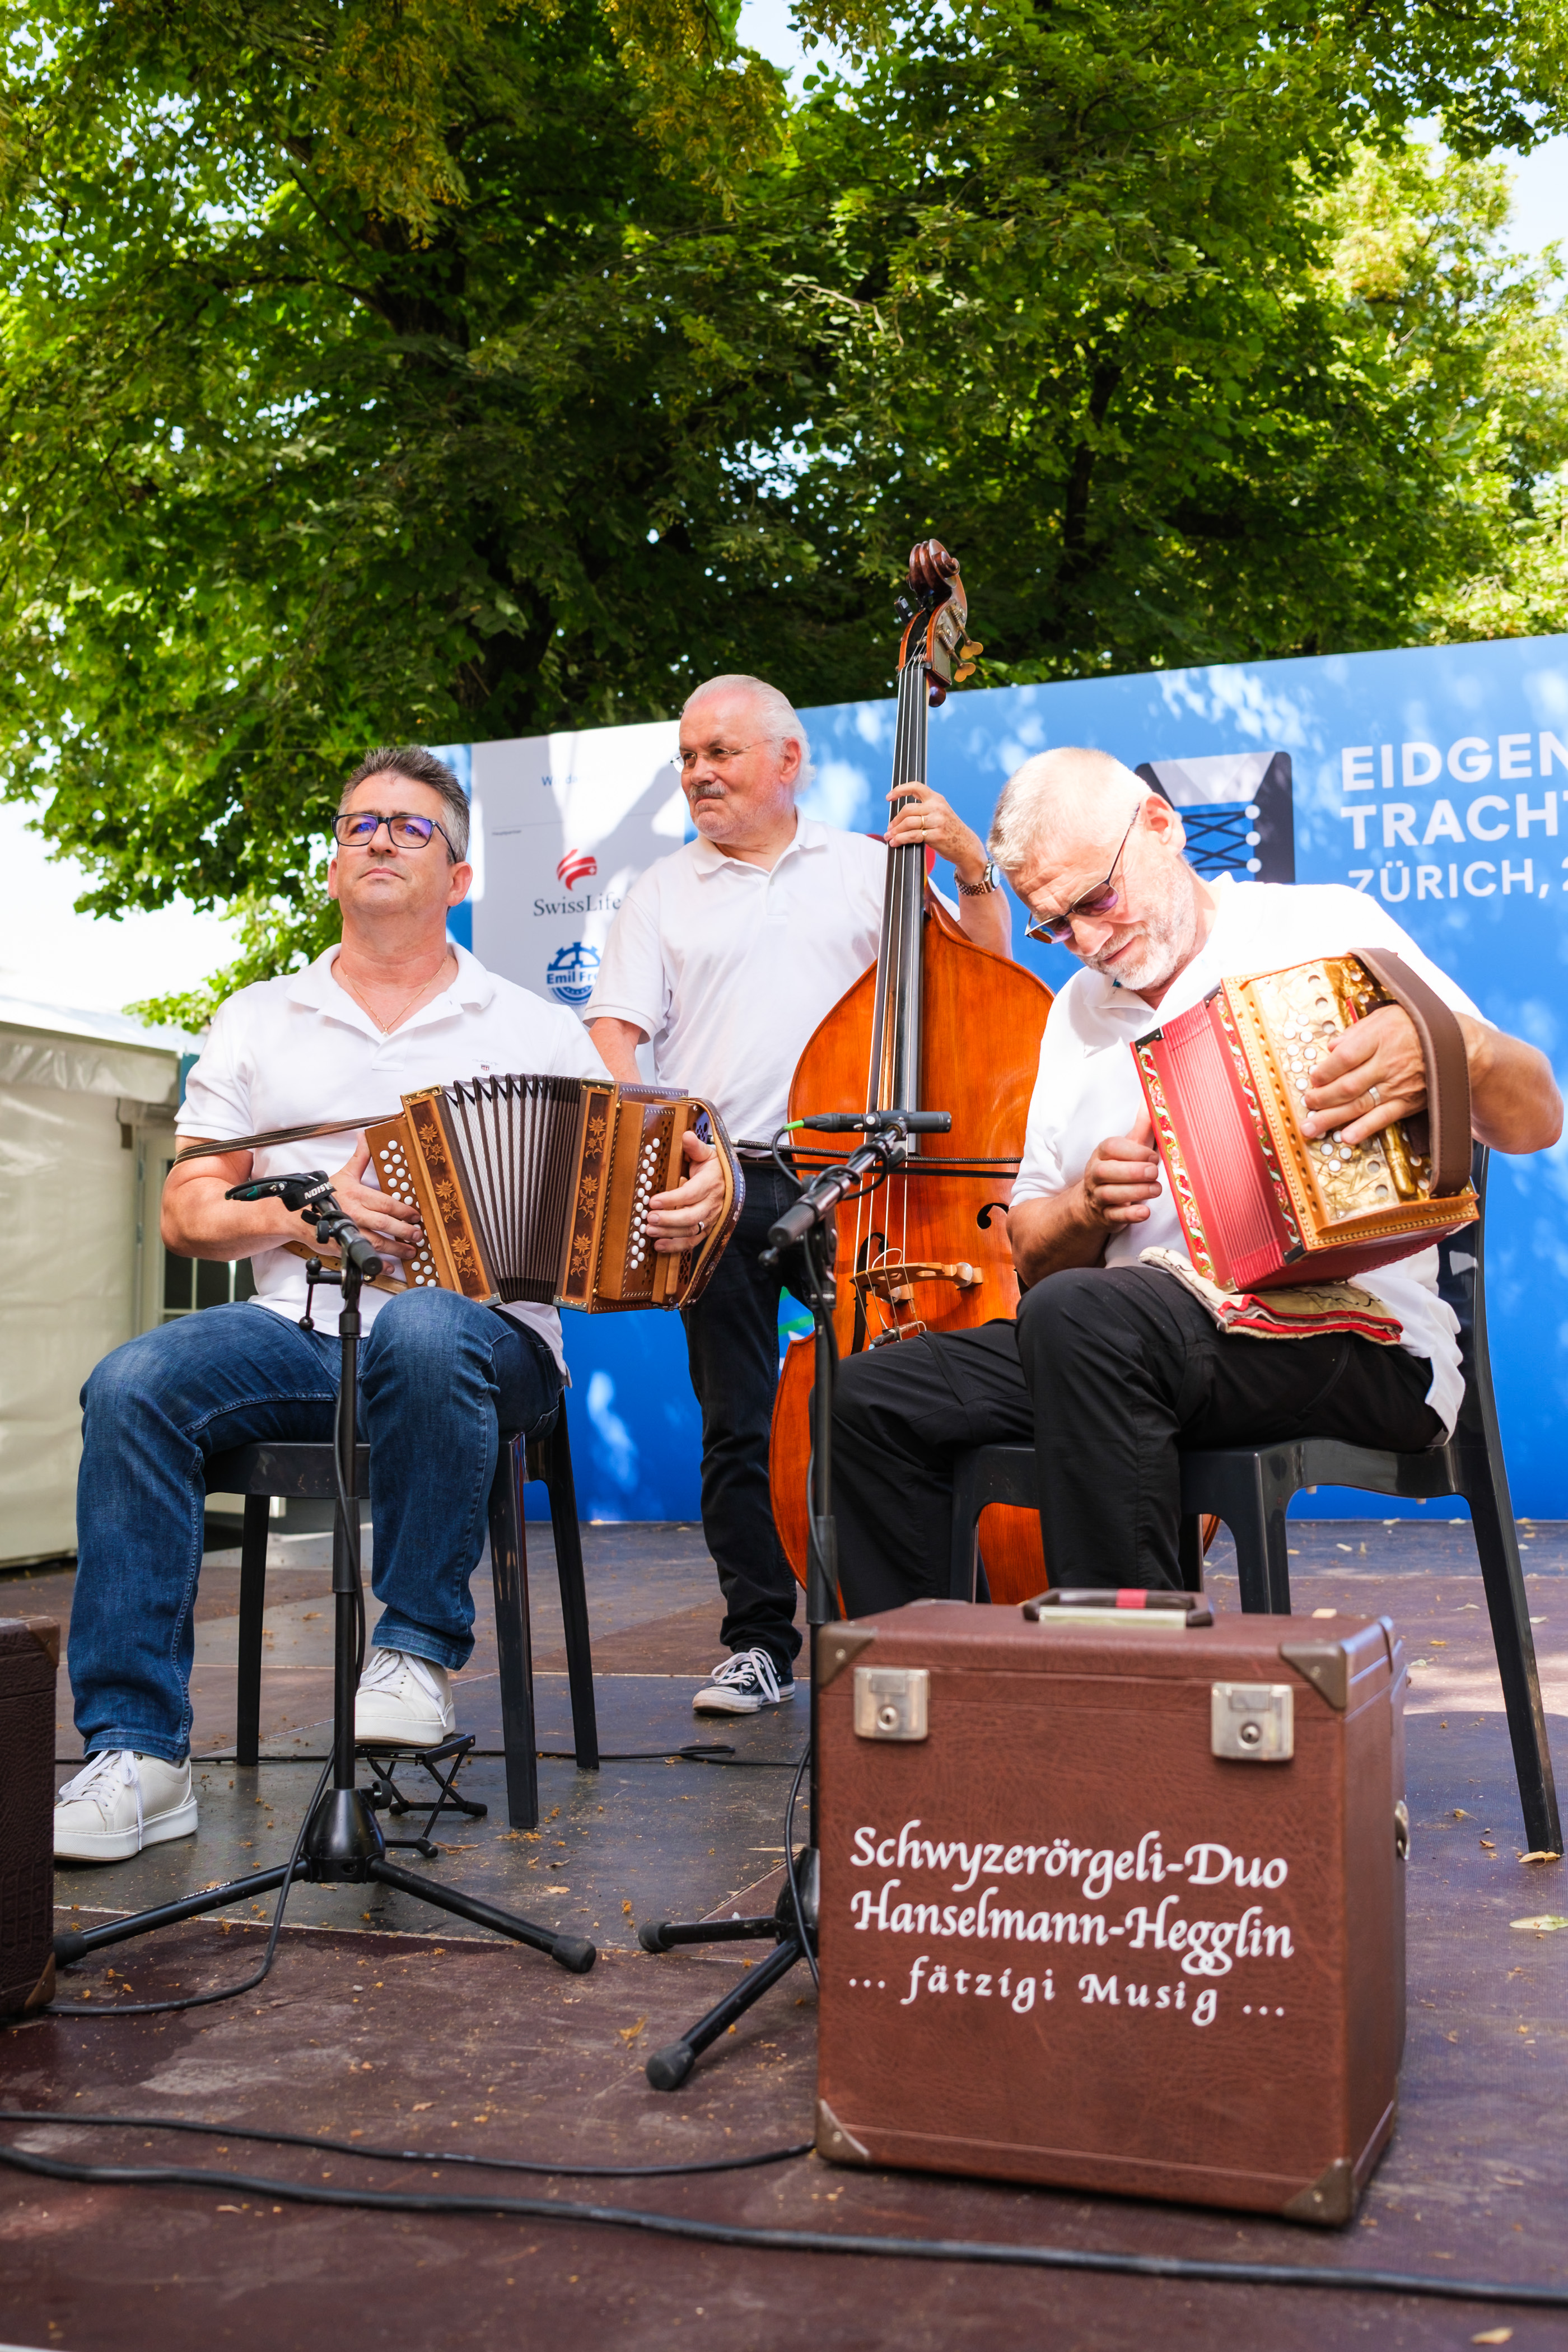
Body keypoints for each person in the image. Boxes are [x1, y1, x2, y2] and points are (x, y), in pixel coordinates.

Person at [55, 745, 725, 1863]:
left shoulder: (530, 1027)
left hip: (488, 1341)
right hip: (302, 1331)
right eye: (360, 824)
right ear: (329, 866)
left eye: (411, 827)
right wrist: (299, 1216)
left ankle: (412, 1650)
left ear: (460, 879)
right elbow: (187, 1210)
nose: (378, 839)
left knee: (425, 1325)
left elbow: (640, 1175)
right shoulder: (260, 1017)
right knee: (132, 1385)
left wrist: (704, 1185)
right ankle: (140, 1755)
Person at [830, 744, 1563, 1611]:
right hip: (1120, 1350)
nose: (1091, 942)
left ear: (1161, 825)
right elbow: (1031, 1250)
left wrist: (1453, 1045)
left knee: (1085, 1318)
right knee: (863, 1397)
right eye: (1057, 928)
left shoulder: (1323, 927)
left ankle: (1139, 1708)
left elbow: (1536, 1120)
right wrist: (1085, 1206)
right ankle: (933, 1709)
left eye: (1097, 900)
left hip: (1352, 1339)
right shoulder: (1075, 1013)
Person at [586, 631, 1011, 1713]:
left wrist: (968, 865)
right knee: (735, 1417)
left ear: (788, 760)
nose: (698, 773)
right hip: (723, 1179)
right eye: (686, 757)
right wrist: (668, 1144)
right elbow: (616, 1042)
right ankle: (760, 1640)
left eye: (720, 752)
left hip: (870, 1180)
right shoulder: (657, 894)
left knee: (894, 1402)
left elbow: (988, 984)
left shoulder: (876, 867)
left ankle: (911, 1624)